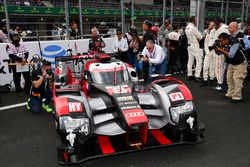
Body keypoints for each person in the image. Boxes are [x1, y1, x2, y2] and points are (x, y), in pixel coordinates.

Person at [215, 32, 248, 102]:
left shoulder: (235, 42)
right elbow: (220, 54)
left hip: (240, 63)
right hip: (231, 63)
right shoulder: (225, 43)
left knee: (237, 80)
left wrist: (221, 50)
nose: (220, 43)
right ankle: (230, 93)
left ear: (226, 39)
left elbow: (231, 55)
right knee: (229, 79)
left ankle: (237, 97)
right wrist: (216, 49)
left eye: (221, 41)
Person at [185, 16, 203, 81]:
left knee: (190, 60)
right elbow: (200, 37)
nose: (196, 21)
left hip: (189, 45)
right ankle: (197, 76)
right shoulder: (193, 28)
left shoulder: (186, 28)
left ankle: (190, 75)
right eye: (196, 20)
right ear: (194, 20)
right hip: (194, 45)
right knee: (199, 60)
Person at [213, 18, 229, 91]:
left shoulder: (222, 29)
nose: (214, 27)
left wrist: (219, 48)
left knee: (219, 68)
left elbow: (222, 41)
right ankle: (221, 84)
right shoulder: (225, 27)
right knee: (221, 68)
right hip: (223, 50)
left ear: (218, 23)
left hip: (221, 51)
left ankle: (220, 84)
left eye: (214, 25)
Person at [201, 21, 216, 86]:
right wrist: (206, 50)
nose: (212, 26)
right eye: (211, 25)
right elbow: (205, 42)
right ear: (209, 25)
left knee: (213, 66)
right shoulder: (206, 32)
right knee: (205, 66)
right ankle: (205, 79)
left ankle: (212, 79)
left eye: (213, 25)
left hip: (214, 51)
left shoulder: (216, 32)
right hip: (208, 51)